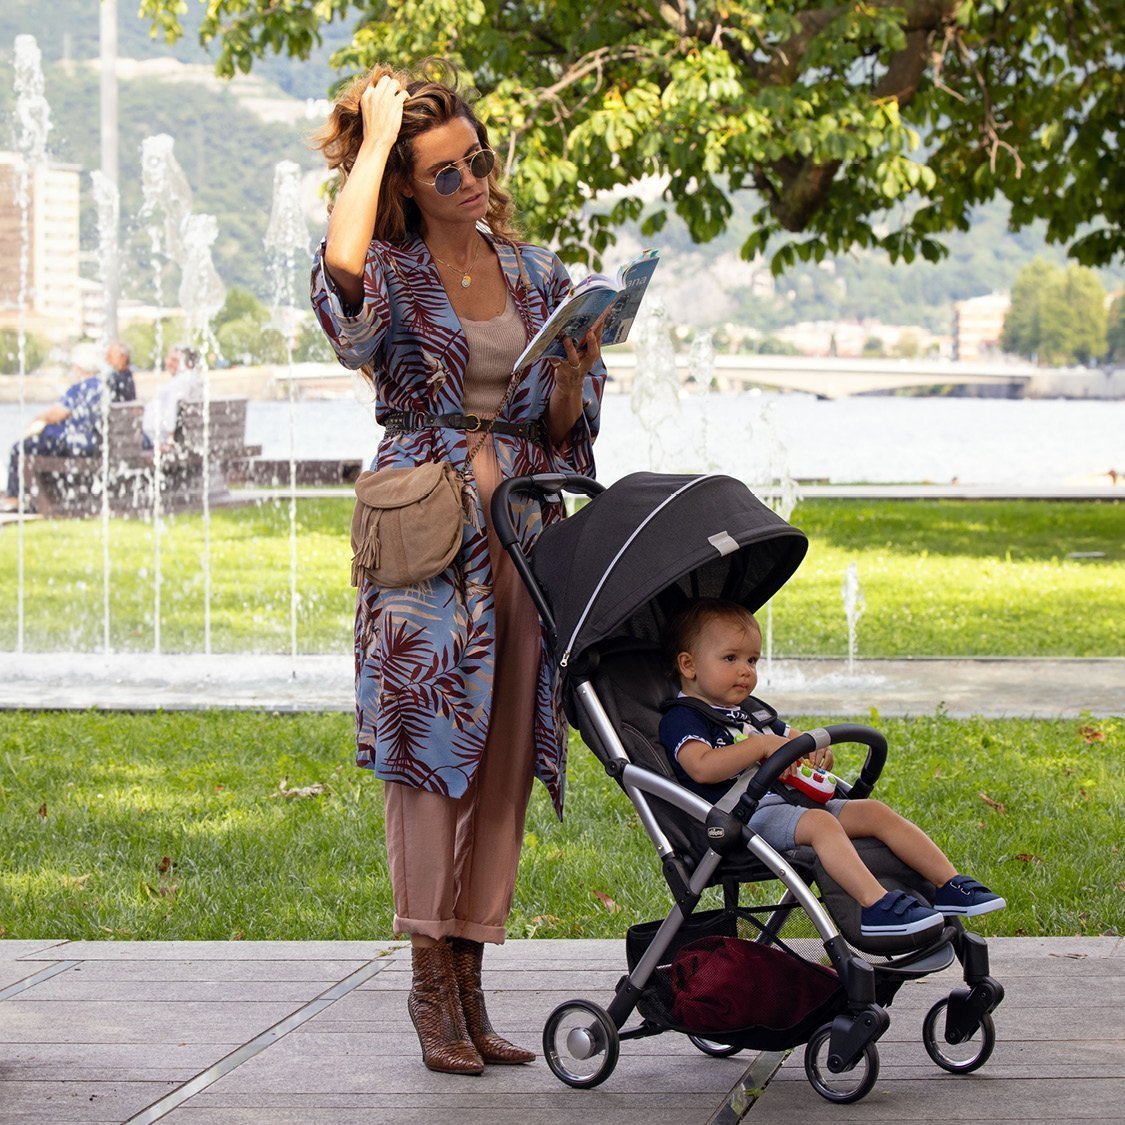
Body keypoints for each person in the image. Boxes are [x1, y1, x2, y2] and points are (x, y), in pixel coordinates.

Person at [308, 60, 606, 1075]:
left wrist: (569, 376)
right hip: (425, 535)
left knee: (508, 752)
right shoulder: (387, 268)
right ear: (402, 182)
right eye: (444, 173)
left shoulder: (536, 272)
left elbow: (566, 426)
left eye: (476, 161)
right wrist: (375, 142)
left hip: (523, 531)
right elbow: (340, 289)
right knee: (428, 752)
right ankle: (429, 985)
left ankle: (474, 983)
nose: (471, 182)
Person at [659, 598, 1005, 939]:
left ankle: (949, 884)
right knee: (821, 824)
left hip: (789, 803)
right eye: (730, 658)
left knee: (873, 811)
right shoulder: (683, 718)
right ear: (688, 665)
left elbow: (793, 738)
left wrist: (813, 747)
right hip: (739, 819)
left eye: (752, 660)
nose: (746, 670)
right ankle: (875, 905)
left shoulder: (750, 711)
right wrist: (761, 746)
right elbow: (701, 767)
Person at [2, 342, 123, 512]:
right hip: (95, 445)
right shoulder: (104, 387)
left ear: (79, 367)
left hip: (75, 444)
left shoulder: (80, 387)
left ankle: (14, 500)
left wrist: (38, 419)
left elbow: (57, 414)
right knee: (37, 446)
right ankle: (41, 498)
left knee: (20, 449)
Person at [142, 345, 201, 450]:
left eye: (175, 360)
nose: (168, 363)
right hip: (159, 436)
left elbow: (173, 407)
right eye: (169, 359)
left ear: (188, 363)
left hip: (159, 439)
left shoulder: (183, 380)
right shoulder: (191, 378)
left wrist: (169, 439)